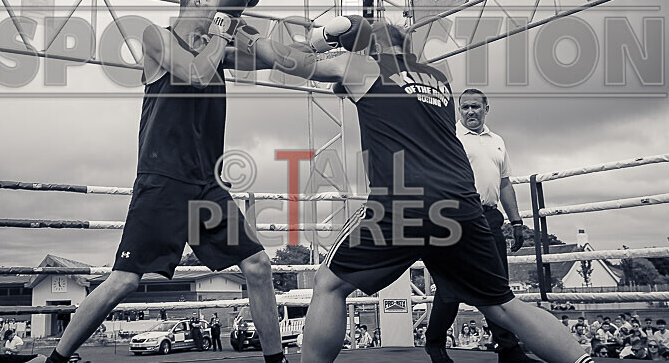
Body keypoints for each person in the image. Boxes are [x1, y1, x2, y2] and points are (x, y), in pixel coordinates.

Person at [252, 18, 595, 363]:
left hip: (402, 202)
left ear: (370, 46)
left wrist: (309, 40)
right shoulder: (439, 81)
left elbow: (281, 59)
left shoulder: (361, 66)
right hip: (461, 204)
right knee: (502, 304)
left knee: (330, 284)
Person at [44, 0, 285, 363]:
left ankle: (278, 361)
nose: (223, 13)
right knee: (124, 280)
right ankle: (54, 359)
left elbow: (273, 60)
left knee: (257, 265)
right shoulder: (156, 36)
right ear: (201, 2)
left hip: (206, 184)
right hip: (163, 180)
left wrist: (316, 41)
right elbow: (193, 73)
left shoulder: (217, 48)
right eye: (220, 5)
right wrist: (224, 31)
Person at [425, 87, 534, 363]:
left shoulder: (497, 140)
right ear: (458, 110)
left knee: (497, 283)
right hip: (455, 217)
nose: (470, 112)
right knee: (451, 284)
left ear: (487, 109)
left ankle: (508, 349)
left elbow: (505, 182)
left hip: (490, 216)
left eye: (476, 107)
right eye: (465, 107)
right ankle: (435, 344)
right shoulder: (448, 135)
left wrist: (517, 222)